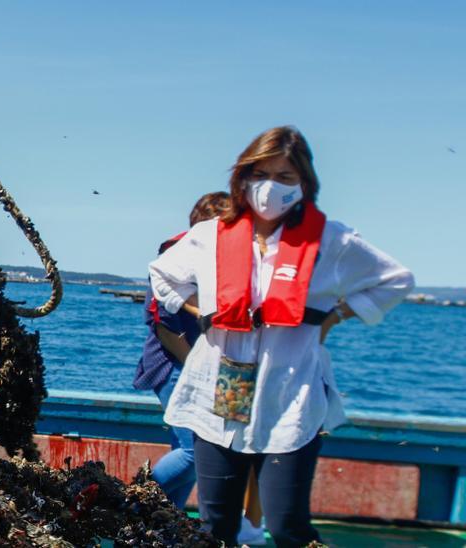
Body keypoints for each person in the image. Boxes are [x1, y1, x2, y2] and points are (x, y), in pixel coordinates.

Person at [149, 126, 413, 547]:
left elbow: (395, 280)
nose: (270, 187)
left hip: (289, 391)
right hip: (221, 389)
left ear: (304, 184)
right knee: (215, 524)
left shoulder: (334, 240)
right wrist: (204, 312)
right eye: (261, 173)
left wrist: (336, 316)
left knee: (288, 524)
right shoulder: (210, 235)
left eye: (285, 177)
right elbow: (162, 275)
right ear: (243, 178)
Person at [136, 191, 230, 508]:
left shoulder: (223, 262)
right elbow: (165, 329)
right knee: (196, 451)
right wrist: (200, 372)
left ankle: (163, 523)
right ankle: (133, 506)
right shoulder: (173, 258)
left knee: (186, 448)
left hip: (201, 367)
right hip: (173, 365)